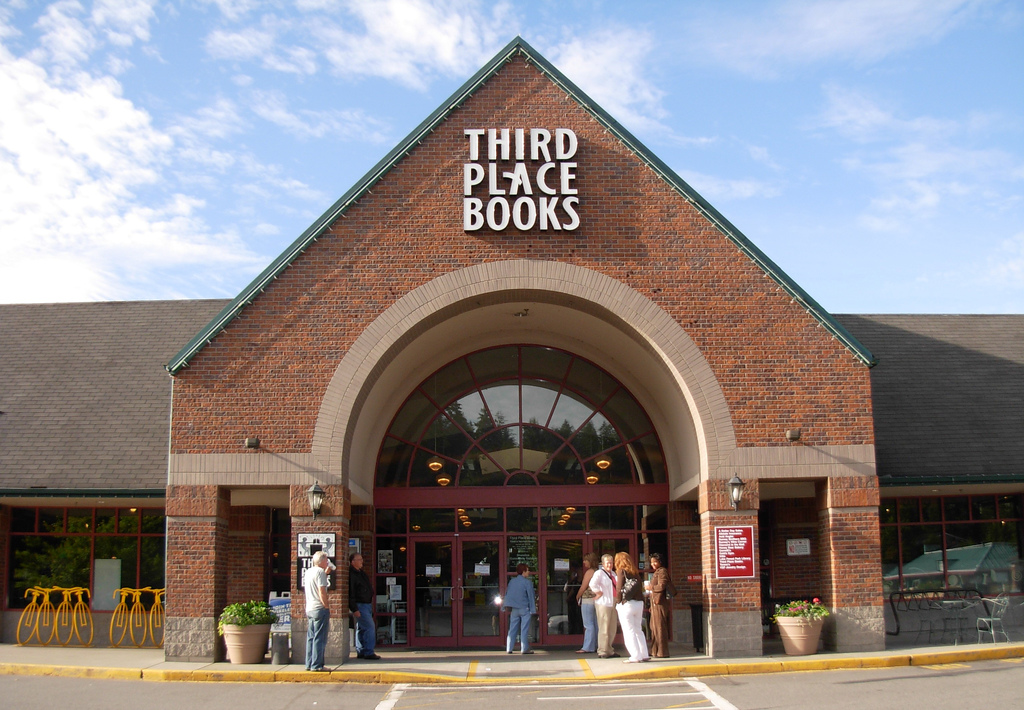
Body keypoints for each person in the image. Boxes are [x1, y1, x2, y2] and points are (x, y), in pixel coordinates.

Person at [614, 551, 650, 663]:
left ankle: (635, 656)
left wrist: (618, 602)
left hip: (627, 604)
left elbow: (619, 589)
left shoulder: (621, 571)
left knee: (628, 631)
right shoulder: (635, 572)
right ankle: (644, 654)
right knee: (638, 629)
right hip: (638, 603)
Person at [349, 553, 381, 660]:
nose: (361, 561)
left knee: (361, 628)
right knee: (369, 627)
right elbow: (351, 593)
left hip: (366, 604)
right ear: (352, 562)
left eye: (361, 559)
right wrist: (354, 609)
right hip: (360, 604)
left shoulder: (361, 573)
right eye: (359, 559)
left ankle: (361, 650)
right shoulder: (352, 575)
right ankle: (368, 652)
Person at [304, 550, 331, 671]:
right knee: (320, 638)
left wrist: (326, 574)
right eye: (326, 560)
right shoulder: (320, 572)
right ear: (322, 561)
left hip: (310, 608)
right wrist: (326, 606)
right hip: (319, 608)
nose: (327, 562)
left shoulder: (309, 571)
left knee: (311, 637)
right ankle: (317, 665)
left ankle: (309, 663)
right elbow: (321, 591)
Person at [588, 553, 619, 658]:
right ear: (603, 563)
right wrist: (598, 592)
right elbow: (592, 584)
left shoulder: (613, 574)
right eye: (607, 563)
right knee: (604, 627)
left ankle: (609, 649)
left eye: (611, 563)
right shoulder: (599, 573)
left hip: (613, 602)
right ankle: (602, 651)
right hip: (603, 603)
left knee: (612, 628)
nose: (610, 565)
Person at [502, 563, 536, 653]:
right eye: (527, 570)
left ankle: (509, 648)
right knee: (524, 629)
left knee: (512, 629)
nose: (529, 572)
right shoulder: (528, 582)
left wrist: (504, 606)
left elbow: (507, 594)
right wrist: (533, 609)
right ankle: (524, 648)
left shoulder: (512, 582)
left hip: (514, 609)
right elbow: (531, 597)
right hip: (524, 608)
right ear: (523, 571)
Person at [647, 552, 676, 658]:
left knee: (659, 628)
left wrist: (651, 588)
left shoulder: (662, 571)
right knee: (654, 627)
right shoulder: (657, 572)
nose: (653, 564)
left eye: (655, 562)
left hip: (660, 603)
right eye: (651, 562)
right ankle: (654, 651)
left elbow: (662, 586)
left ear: (660, 561)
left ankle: (662, 652)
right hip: (655, 604)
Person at [574, 552, 599, 653]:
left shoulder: (590, 572)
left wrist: (577, 596)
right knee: (596, 624)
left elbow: (583, 587)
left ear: (590, 561)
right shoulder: (599, 571)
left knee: (588, 624)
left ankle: (587, 647)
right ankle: (596, 645)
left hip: (587, 600)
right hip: (596, 600)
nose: (584, 562)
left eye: (586, 560)